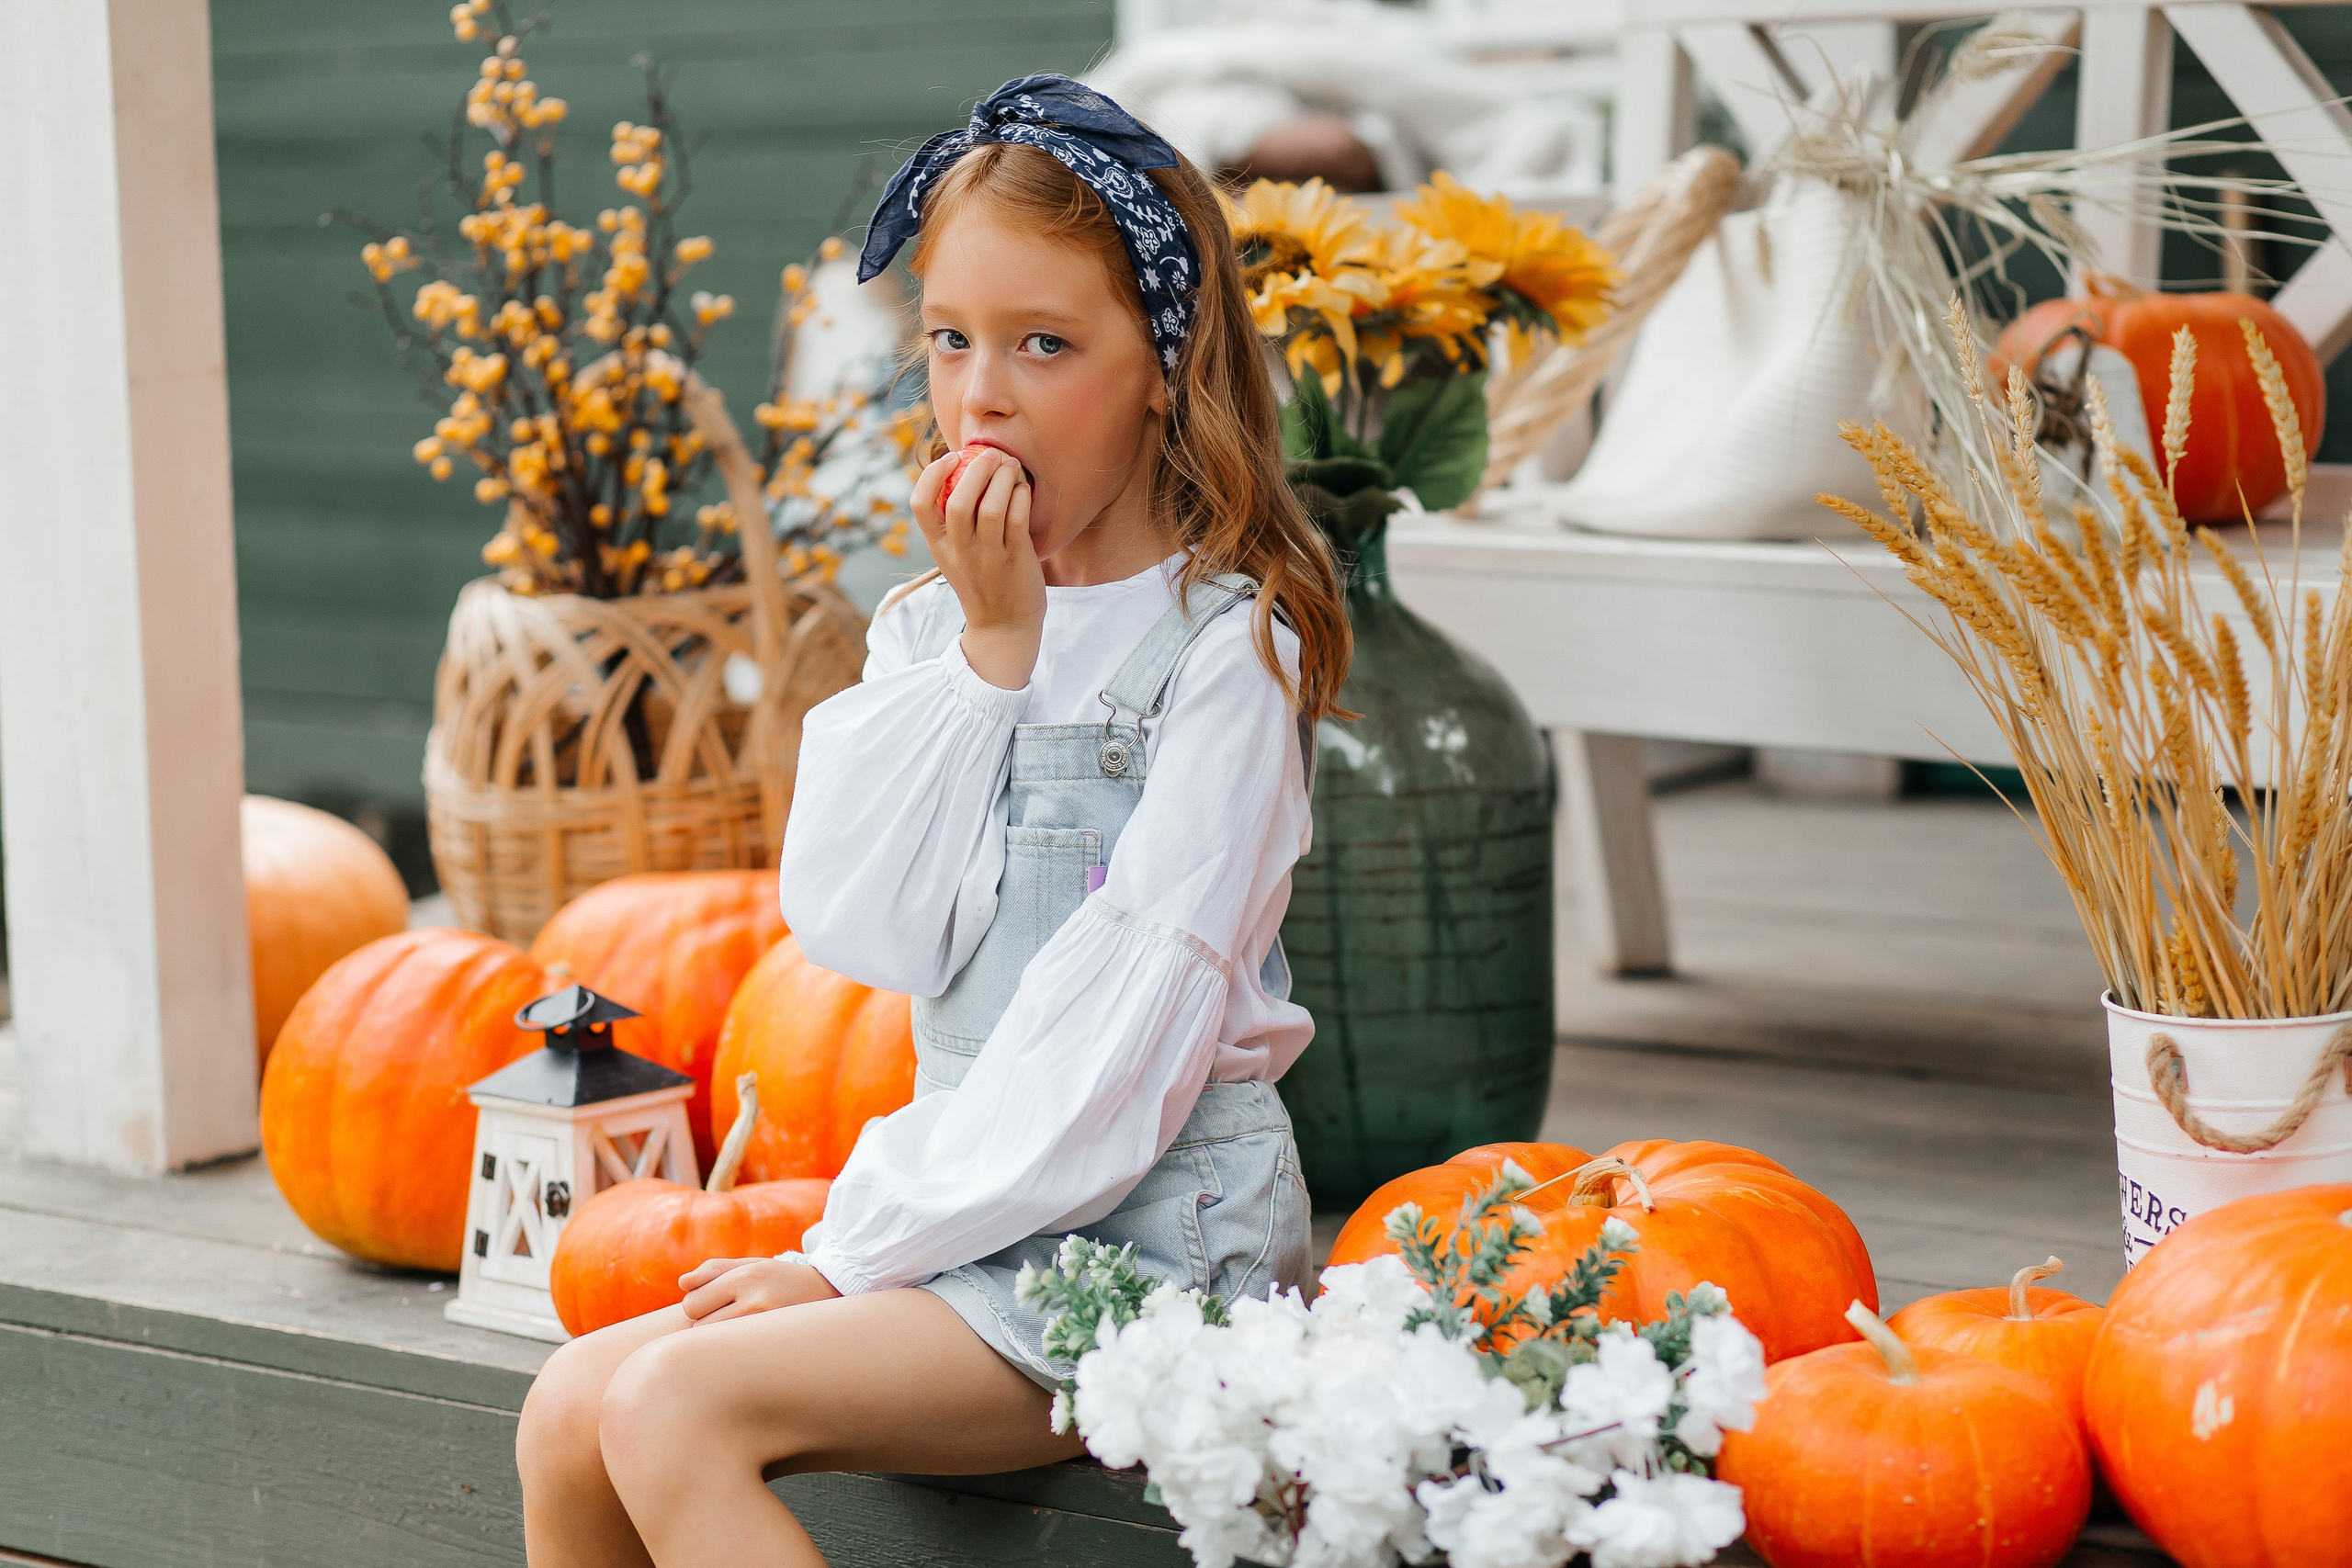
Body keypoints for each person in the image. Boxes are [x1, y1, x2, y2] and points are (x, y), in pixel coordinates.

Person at [515, 73, 1351, 1566]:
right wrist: (992, 660)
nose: (983, 396)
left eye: (1045, 344)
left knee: (668, 1410)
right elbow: (868, 930)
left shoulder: (1227, 652)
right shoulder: (934, 628)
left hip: (1154, 1242)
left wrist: (850, 1258)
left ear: (1164, 369)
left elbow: (1121, 1045)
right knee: (568, 1410)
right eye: (952, 340)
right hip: (971, 1208)